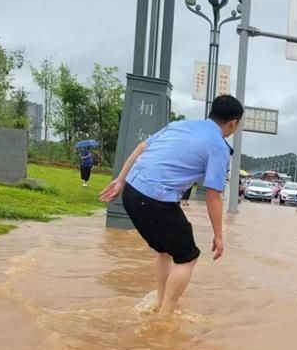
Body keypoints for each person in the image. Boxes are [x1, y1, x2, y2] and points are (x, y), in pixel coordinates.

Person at [98, 95, 243, 315]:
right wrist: (219, 236)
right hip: (155, 200)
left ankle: (159, 302)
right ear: (233, 124)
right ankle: (164, 317)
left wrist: (120, 180)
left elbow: (141, 148)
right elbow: (213, 196)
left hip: (131, 191)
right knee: (188, 256)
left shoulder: (180, 125)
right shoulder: (219, 147)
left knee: (165, 250)